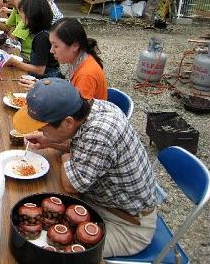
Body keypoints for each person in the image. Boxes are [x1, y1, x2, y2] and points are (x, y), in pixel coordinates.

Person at [13, 78, 157, 258]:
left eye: (43, 127)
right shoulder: (91, 109)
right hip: (99, 203)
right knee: (35, 222)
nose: (42, 132)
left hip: (126, 224)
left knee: (50, 249)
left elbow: (70, 185)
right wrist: (51, 141)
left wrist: (67, 156)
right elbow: (80, 144)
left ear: (67, 122)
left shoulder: (100, 132)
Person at [19, 17, 107, 100]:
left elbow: (77, 112)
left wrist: (41, 91)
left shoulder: (86, 74)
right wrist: (41, 86)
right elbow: (70, 94)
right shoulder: (79, 60)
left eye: (56, 46)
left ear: (75, 46)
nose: (51, 51)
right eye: (51, 45)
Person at [5, 0, 61, 78]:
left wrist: (14, 62)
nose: (21, 16)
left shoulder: (42, 37)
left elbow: (39, 70)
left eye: (22, 13)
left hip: (47, 80)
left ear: (32, 15)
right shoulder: (44, 31)